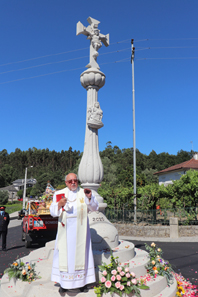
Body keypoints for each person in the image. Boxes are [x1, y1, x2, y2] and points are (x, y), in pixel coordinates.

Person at [50, 173, 99, 294]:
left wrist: (89, 198)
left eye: (75, 180)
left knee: (81, 256)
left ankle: (81, 283)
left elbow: (94, 208)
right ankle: (64, 283)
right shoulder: (59, 194)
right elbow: (53, 212)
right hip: (65, 232)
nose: (73, 182)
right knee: (65, 257)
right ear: (66, 182)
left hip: (81, 232)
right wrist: (59, 204)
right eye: (70, 181)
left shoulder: (84, 192)